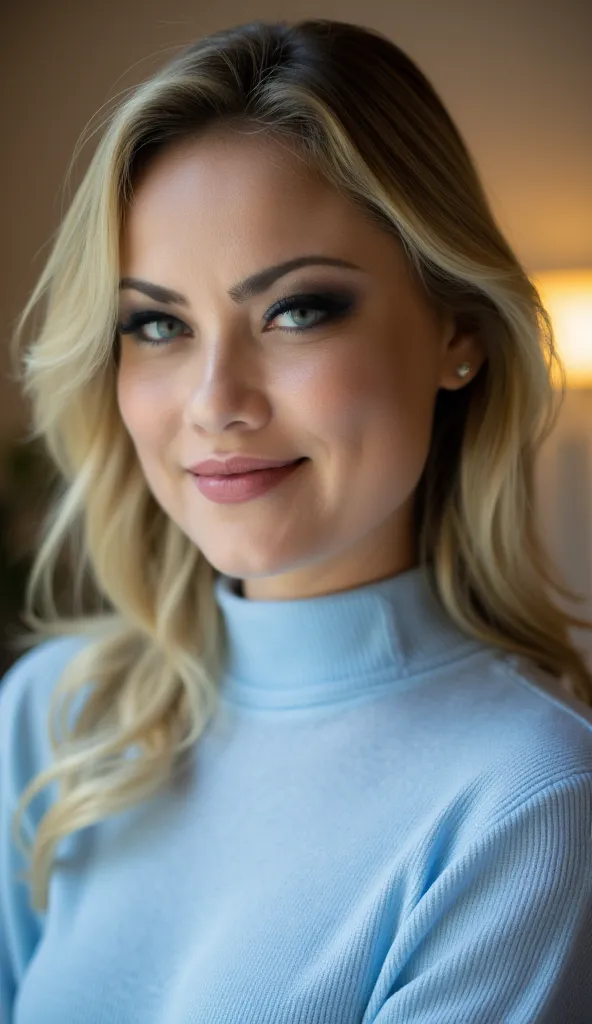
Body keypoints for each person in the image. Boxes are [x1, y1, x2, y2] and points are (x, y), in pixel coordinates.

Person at [1, 17, 591, 1024]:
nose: (215, 401)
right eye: (158, 325)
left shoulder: (529, 802)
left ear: (456, 331)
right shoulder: (54, 716)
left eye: (297, 310)